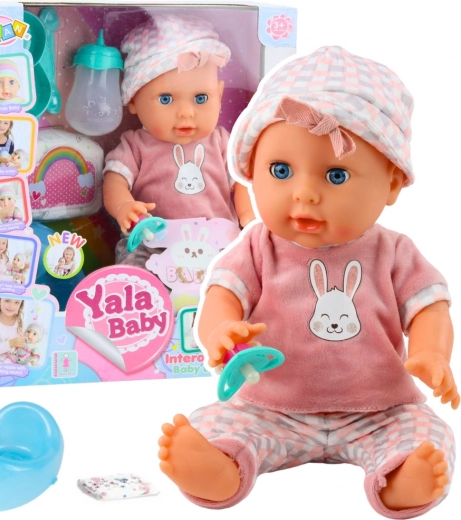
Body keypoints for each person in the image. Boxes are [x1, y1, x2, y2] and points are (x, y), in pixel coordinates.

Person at [158, 46, 458, 518]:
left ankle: (402, 478)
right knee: (217, 422)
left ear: (392, 182)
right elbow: (222, 293)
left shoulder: (394, 252)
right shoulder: (258, 246)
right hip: (270, 407)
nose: (304, 193)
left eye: (335, 175)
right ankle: (220, 466)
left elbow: (429, 308)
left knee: (429, 434)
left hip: (380, 410)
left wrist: (431, 353)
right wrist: (220, 331)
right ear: (252, 171)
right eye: (280, 171)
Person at [103, 15, 254, 267]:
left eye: (201, 98)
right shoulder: (135, 145)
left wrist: (248, 214)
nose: (186, 112)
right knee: (134, 272)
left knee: (236, 272)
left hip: (216, 242)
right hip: (152, 242)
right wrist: (123, 206)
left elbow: (241, 182)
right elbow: (114, 179)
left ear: (218, 95)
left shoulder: (222, 142)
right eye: (166, 99)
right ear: (133, 100)